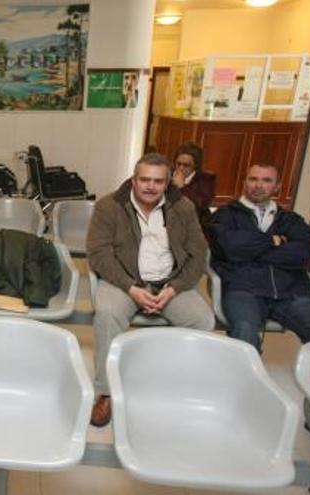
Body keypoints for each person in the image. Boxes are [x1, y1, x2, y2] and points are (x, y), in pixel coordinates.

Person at [86, 153, 215, 427]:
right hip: (124, 280)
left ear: (167, 183)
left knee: (202, 320)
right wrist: (131, 288)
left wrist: (174, 289)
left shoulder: (183, 207)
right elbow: (98, 254)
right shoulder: (109, 206)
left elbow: (198, 254)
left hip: (170, 282)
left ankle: (176, 388)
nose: (150, 187)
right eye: (144, 179)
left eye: (158, 181)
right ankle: (105, 392)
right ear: (134, 179)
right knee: (107, 314)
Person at [208, 163, 310, 351]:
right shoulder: (225, 215)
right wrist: (273, 241)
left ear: (277, 186)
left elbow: (301, 254)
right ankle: (242, 379)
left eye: (266, 180)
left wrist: (249, 251)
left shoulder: (291, 220)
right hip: (244, 289)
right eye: (253, 179)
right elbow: (228, 247)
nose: (258, 185)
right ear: (245, 182)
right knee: (244, 335)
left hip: (291, 292)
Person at [171, 142, 216, 227]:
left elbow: (199, 205)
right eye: (178, 164)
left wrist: (182, 187)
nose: (181, 168)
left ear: (195, 166)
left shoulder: (206, 180)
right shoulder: (167, 174)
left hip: (194, 224)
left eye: (186, 165)